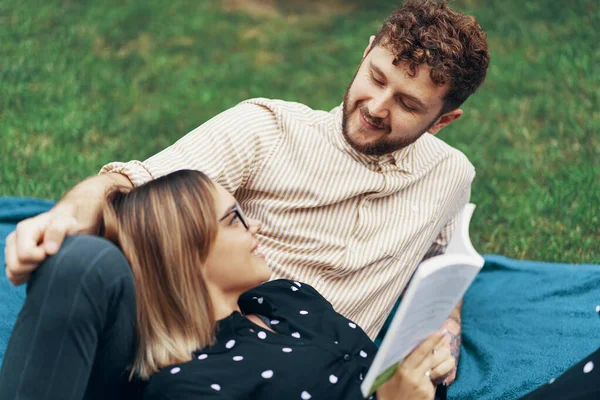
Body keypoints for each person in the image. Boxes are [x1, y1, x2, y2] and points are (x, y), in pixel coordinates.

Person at [4, 0, 491, 389]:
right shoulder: (266, 128)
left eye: (408, 104)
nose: (377, 107)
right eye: (376, 78)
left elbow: (441, 261)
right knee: (85, 260)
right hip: (186, 335)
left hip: (308, 369)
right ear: (365, 53)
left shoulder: (449, 177)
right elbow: (130, 183)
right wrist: (63, 217)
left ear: (443, 121)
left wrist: (443, 325)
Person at [1, 170, 456, 400]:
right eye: (235, 218)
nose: (252, 224)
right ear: (188, 251)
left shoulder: (288, 296)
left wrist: (421, 365)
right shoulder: (187, 384)